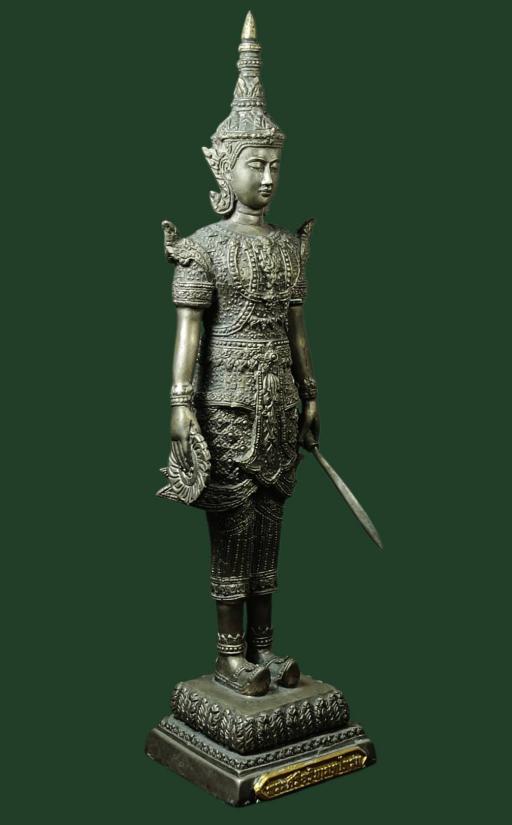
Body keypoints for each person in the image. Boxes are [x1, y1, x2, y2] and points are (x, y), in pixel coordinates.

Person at [163, 12, 319, 696]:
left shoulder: (288, 247)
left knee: (270, 529)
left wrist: (311, 393)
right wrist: (179, 405)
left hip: (279, 407)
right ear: (225, 166)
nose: (268, 175)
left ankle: (265, 646)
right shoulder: (202, 247)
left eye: (275, 164)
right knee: (234, 527)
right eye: (256, 163)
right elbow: (189, 338)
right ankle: (230, 654)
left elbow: (297, 331)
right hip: (225, 406)